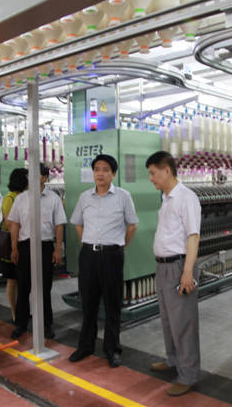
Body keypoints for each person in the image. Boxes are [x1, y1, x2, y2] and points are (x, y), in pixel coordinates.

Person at [69, 154, 138, 368]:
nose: (100, 173)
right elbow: (78, 223)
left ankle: (112, 349)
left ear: (113, 174)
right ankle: (85, 346)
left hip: (112, 256)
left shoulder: (123, 196)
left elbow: (132, 225)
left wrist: (120, 245)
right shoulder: (84, 197)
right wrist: (86, 242)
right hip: (89, 255)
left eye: (105, 170)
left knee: (112, 304)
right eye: (97, 169)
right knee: (88, 303)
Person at [145, 151, 201, 397]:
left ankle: (188, 375)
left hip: (179, 267)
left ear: (166, 170)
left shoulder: (186, 198)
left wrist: (187, 272)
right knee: (168, 319)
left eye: (153, 173)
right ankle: (173, 360)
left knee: (183, 323)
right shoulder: (166, 198)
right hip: (163, 267)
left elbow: (193, 236)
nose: (151, 178)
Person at [8, 163, 66, 340]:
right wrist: (14, 247)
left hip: (45, 247)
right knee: (23, 286)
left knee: (44, 288)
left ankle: (46, 324)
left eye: (36, 174)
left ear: (44, 177)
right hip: (25, 247)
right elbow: (14, 224)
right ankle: (20, 323)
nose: (31, 178)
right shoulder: (21, 199)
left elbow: (59, 225)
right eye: (29, 175)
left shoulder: (54, 199)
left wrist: (58, 249)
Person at [1, 168, 29, 323]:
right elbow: (8, 223)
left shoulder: (26, 196)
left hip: (23, 243)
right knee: (12, 280)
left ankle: (23, 309)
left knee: (23, 280)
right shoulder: (10, 198)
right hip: (13, 244)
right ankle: (14, 312)